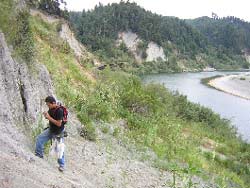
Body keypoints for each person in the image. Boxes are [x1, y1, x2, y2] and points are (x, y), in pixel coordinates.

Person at [35, 96, 65, 172]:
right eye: (47, 105)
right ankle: (39, 156)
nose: (48, 106)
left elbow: (58, 124)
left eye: (49, 105)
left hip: (58, 132)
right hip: (51, 130)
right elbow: (50, 117)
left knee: (59, 149)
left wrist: (48, 117)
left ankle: (62, 165)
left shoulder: (60, 111)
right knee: (39, 139)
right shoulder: (51, 109)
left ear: (53, 103)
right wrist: (46, 115)